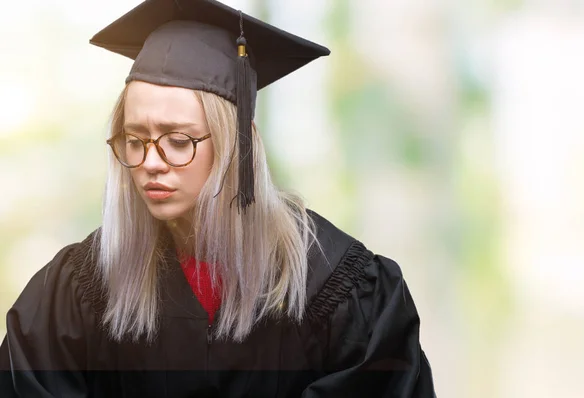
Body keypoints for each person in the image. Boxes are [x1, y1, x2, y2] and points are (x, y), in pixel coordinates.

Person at [0, 0, 436, 396]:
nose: (151, 161)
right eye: (135, 139)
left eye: (178, 139)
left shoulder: (335, 286)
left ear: (235, 146)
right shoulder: (82, 288)